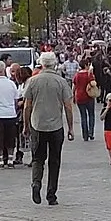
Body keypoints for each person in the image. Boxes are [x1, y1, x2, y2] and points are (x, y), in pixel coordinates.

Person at [21, 53, 75, 205]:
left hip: (37, 125)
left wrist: (26, 125)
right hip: (56, 126)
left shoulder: (32, 81)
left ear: (42, 64)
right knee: (54, 160)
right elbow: (68, 106)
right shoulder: (61, 82)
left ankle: (36, 182)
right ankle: (51, 194)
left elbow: (27, 106)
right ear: (55, 64)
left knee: (37, 158)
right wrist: (70, 127)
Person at [71, 61, 97, 142]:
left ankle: (85, 135)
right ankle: (91, 132)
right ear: (86, 65)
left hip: (79, 96)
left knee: (83, 116)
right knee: (91, 115)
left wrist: (73, 96)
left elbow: (74, 86)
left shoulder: (77, 75)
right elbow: (93, 83)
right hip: (89, 97)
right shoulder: (89, 74)